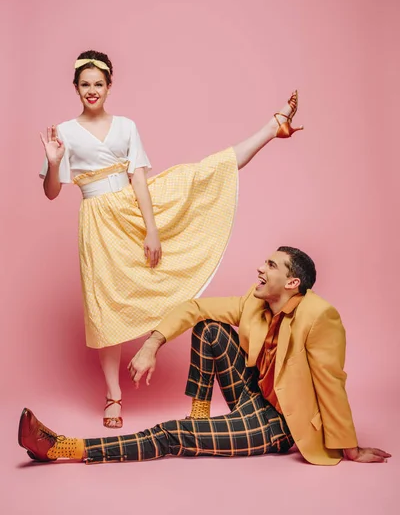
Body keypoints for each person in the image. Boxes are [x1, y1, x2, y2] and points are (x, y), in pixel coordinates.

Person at [39, 49, 303, 428]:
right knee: (104, 308)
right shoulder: (62, 133)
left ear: (110, 86)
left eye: (99, 84)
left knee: (201, 174)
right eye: (85, 84)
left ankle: (271, 128)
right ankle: (113, 396)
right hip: (97, 221)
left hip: (133, 209)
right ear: (76, 87)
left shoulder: (126, 126)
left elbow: (139, 180)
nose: (92, 90)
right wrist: (52, 161)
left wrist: (152, 229)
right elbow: (51, 192)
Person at [18, 247, 391, 465]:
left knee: (171, 434)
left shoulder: (319, 316)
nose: (260, 269)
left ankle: (64, 448)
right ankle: (198, 415)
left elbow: (331, 383)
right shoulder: (254, 302)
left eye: (272, 266)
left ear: (293, 283)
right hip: (252, 395)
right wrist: (152, 344)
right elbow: (195, 308)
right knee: (208, 327)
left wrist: (350, 448)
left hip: (280, 423)